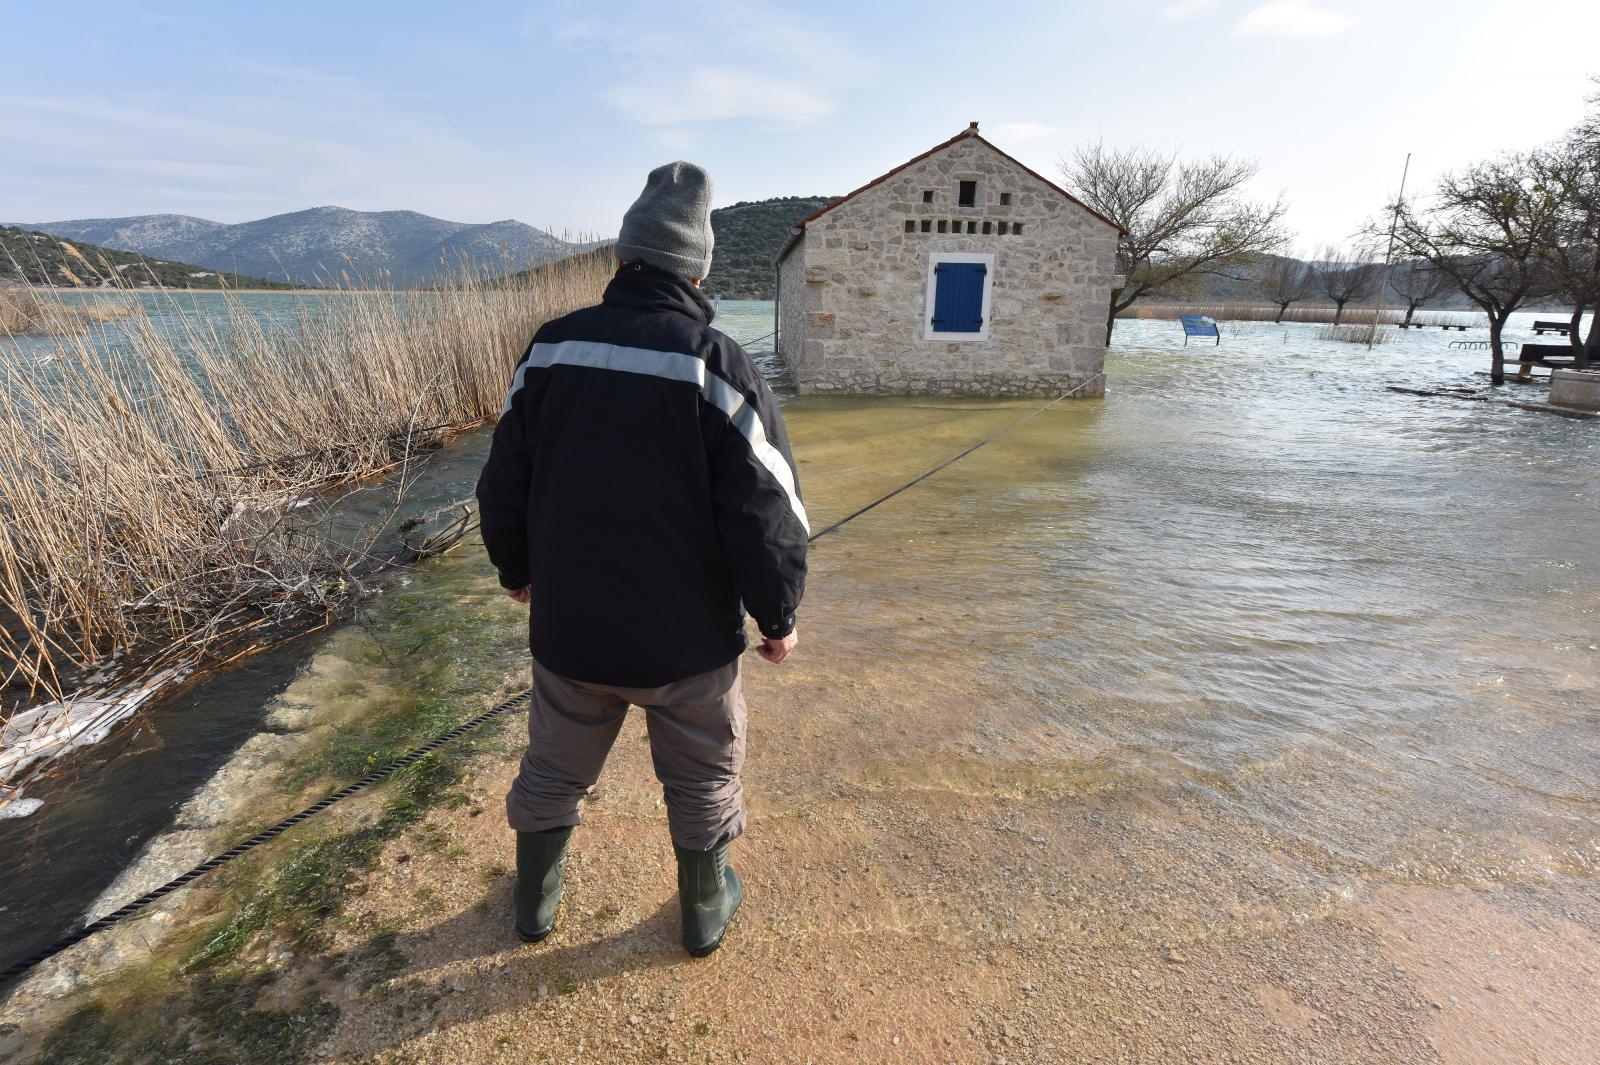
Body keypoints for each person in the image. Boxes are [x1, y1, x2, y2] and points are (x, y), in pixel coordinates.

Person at [475, 161, 808, 958]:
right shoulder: (716, 361)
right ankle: (702, 911)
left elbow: (502, 480)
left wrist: (513, 568)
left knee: (554, 769)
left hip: (571, 634)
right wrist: (779, 614)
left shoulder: (551, 348)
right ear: (698, 268)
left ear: (622, 259)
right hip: (686, 645)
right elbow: (768, 507)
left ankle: (534, 906)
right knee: (700, 777)